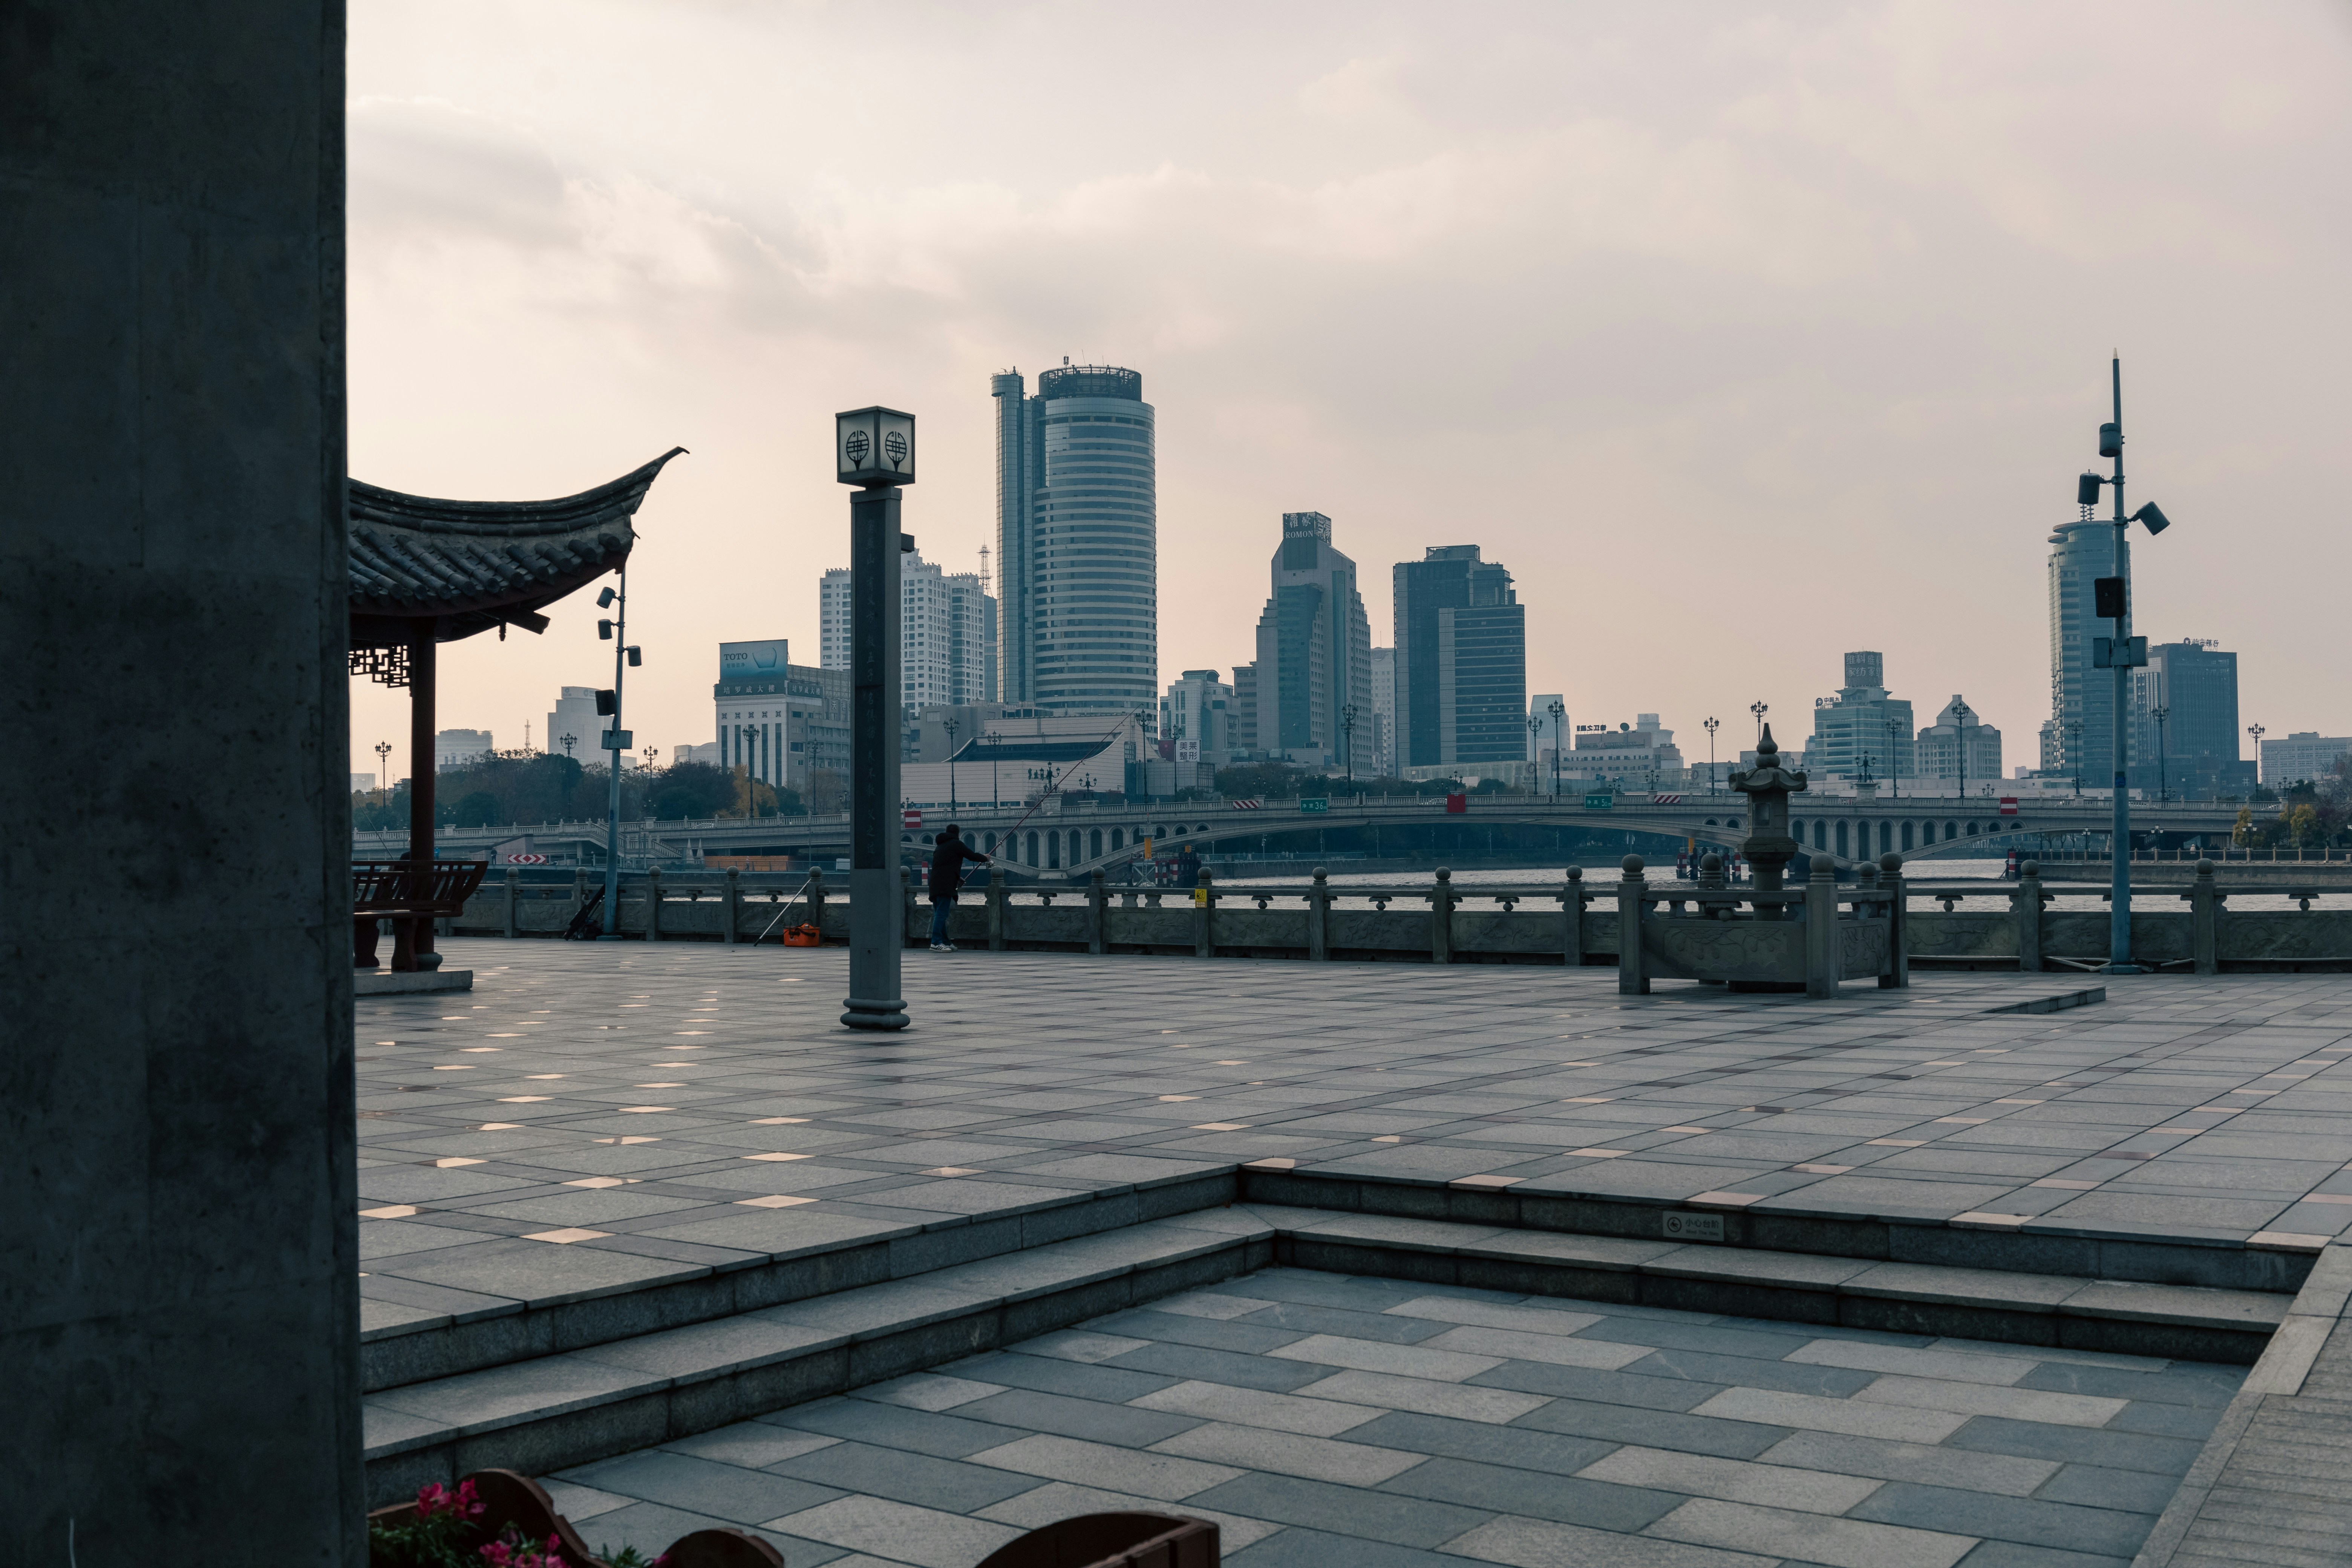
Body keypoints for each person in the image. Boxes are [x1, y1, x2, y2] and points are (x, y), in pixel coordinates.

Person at [927, 825, 989, 951]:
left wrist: (957, 878)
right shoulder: (956, 844)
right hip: (945, 885)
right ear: (958, 834)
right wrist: (985, 858)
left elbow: (943, 867)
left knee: (939, 913)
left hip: (935, 884)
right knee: (941, 915)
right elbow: (972, 856)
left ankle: (945, 942)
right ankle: (935, 943)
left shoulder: (940, 846)